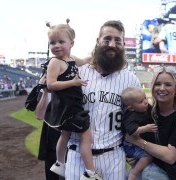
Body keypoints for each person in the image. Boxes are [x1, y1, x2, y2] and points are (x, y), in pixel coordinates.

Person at [65, 20, 141, 180]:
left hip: (114, 157)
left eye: (117, 40)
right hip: (77, 155)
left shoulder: (131, 80)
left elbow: (138, 118)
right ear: (98, 41)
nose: (112, 44)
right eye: (107, 39)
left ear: (123, 44)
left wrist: (136, 149)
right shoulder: (77, 72)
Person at [43, 19, 101, 180]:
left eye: (61, 41)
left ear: (71, 43)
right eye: (52, 42)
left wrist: (95, 55)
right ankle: (90, 172)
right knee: (86, 136)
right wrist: (73, 82)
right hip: (68, 108)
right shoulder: (55, 62)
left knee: (65, 134)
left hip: (70, 106)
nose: (56, 45)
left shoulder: (72, 59)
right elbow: (51, 84)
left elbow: (84, 61)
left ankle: (60, 164)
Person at [125, 65, 176, 179]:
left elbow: (170, 156)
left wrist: (137, 142)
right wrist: (132, 155)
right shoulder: (148, 111)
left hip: (165, 174)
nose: (162, 88)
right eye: (158, 84)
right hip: (142, 170)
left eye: (168, 84)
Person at [121, 87, 157, 180]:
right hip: (130, 145)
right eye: (141, 101)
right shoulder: (131, 115)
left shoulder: (144, 107)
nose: (145, 102)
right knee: (148, 156)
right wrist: (146, 128)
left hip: (137, 143)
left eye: (145, 98)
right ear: (131, 108)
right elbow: (132, 131)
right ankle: (133, 173)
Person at [36, 75, 64, 180]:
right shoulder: (46, 91)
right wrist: (45, 92)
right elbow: (39, 115)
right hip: (51, 144)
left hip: (69, 143)